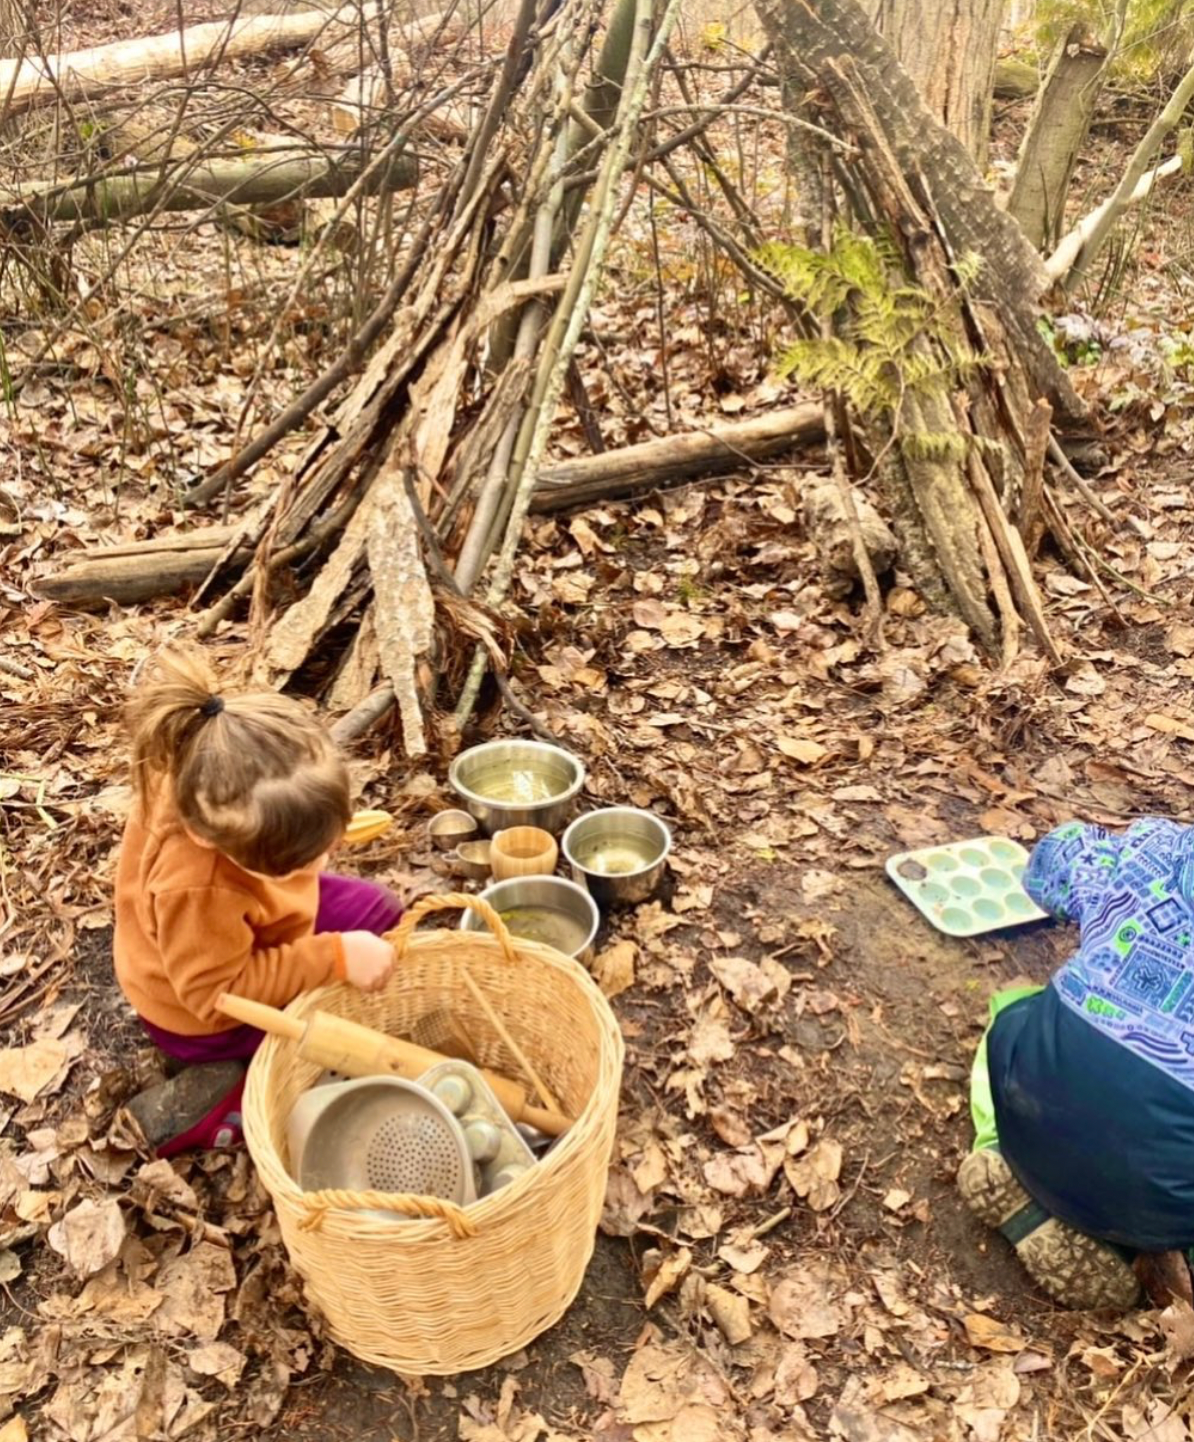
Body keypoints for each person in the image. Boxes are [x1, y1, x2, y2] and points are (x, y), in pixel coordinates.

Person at [113, 645, 403, 1158]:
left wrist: (314, 835)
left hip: (246, 926)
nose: (319, 866)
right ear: (211, 841)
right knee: (309, 1051)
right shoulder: (199, 887)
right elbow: (213, 994)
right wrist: (333, 958)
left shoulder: (205, 762)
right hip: (200, 1018)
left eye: (326, 850)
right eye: (299, 862)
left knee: (377, 911)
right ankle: (221, 1103)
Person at [959, 818, 1194, 1310]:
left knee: (1020, 1008)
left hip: (1033, 1108)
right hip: (1163, 1200)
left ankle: (998, 1151)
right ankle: (1128, 1248)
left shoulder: (1158, 846)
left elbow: (1048, 866)